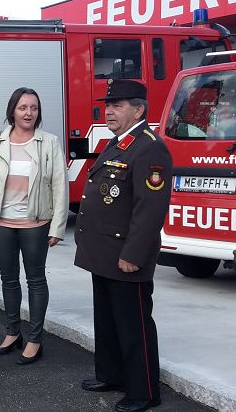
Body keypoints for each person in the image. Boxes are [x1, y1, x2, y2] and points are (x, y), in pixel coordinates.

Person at [75, 80, 171, 412]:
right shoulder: (119, 143)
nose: (108, 111)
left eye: (117, 105)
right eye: (107, 105)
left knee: (133, 325)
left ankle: (144, 391)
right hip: (104, 253)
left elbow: (150, 209)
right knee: (108, 319)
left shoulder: (149, 147)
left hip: (125, 255)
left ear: (138, 109)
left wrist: (133, 254)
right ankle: (112, 374)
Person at [0, 87, 69, 365]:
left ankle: (35, 338)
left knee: (35, 280)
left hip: (35, 223)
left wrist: (58, 226)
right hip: (2, 221)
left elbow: (60, 186)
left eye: (34, 108)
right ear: (12, 110)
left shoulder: (49, 142)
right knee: (8, 278)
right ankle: (13, 333)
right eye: (23, 107)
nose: (29, 113)